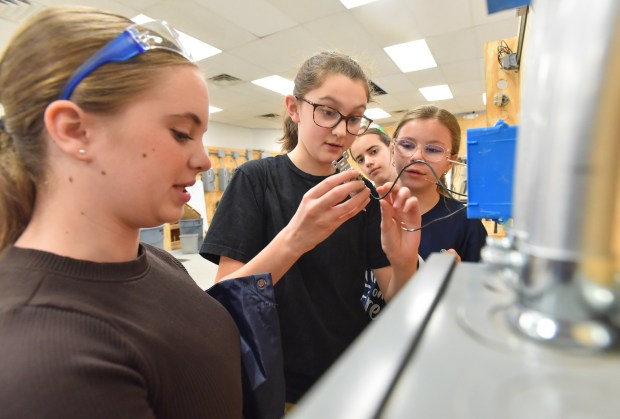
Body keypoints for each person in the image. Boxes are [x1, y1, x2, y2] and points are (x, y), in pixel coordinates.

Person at [0, 7, 244, 418]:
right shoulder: (45, 361)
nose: (204, 160)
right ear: (74, 129)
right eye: (181, 133)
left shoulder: (156, 261)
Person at [200, 51, 421, 405]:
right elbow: (226, 299)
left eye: (355, 118)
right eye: (328, 111)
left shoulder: (359, 192)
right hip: (281, 382)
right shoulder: (255, 181)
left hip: (353, 372)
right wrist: (295, 239)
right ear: (294, 108)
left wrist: (403, 260)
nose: (340, 131)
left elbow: (395, 295)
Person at [391, 105, 487, 262]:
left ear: (451, 162)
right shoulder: (368, 212)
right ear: (392, 150)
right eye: (407, 145)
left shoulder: (467, 224)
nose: (417, 156)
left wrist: (458, 281)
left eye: (433, 150)